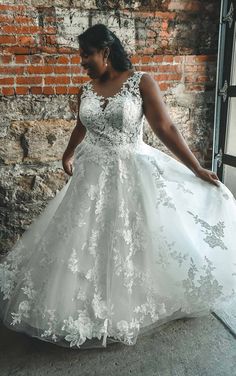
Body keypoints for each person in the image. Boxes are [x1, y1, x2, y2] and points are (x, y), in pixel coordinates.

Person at [0, 23, 236, 351]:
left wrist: (196, 168)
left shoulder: (141, 82)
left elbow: (165, 126)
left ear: (105, 52)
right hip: (91, 173)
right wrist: (68, 152)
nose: (82, 62)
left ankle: (128, 305)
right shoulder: (86, 90)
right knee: (84, 240)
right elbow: (82, 124)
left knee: (132, 238)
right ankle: (81, 305)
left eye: (86, 55)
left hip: (131, 168)